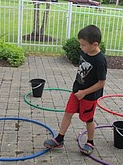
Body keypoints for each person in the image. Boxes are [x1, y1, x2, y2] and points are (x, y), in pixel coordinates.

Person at [44, 25, 107, 155]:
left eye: (83, 45)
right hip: (76, 91)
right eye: (80, 44)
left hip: (89, 96)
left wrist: (84, 93)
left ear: (94, 44)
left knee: (88, 119)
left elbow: (101, 83)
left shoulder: (100, 60)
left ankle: (90, 142)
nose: (80, 47)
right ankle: (59, 139)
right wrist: (79, 91)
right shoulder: (85, 52)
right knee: (68, 113)